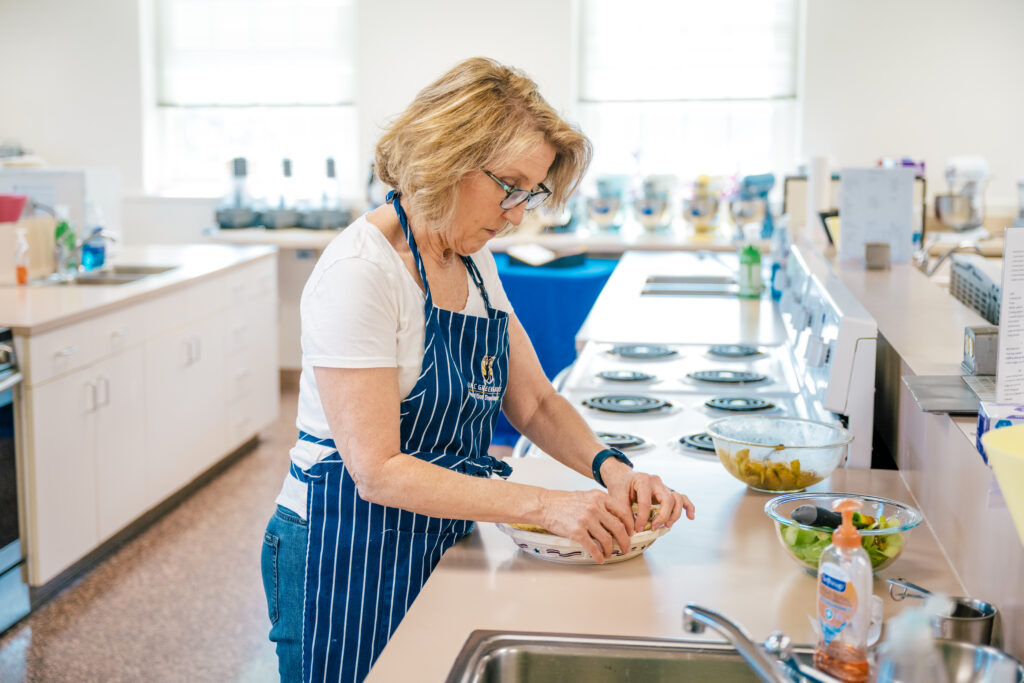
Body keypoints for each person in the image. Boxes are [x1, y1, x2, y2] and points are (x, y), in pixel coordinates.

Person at [260, 56, 695, 682]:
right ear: (448, 156)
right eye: (510, 186)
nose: (518, 213)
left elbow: (536, 403)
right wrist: (548, 506)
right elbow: (377, 471)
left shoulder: (470, 259)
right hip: (342, 552)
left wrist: (613, 470)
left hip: (435, 535)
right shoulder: (360, 274)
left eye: (532, 193)